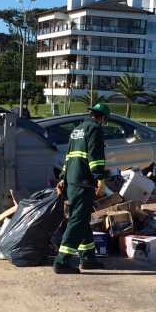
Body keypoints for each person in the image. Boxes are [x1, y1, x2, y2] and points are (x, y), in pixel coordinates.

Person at [53, 103, 110, 274]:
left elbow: (69, 156)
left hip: (72, 180)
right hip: (83, 182)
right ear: (103, 118)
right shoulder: (95, 129)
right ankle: (61, 261)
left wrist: (62, 178)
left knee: (82, 218)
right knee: (78, 220)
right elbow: (95, 157)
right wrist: (100, 178)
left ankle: (88, 258)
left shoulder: (76, 130)